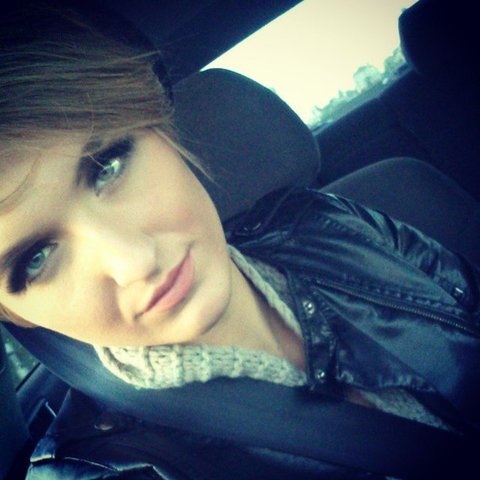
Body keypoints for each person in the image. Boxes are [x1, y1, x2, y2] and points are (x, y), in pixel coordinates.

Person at [1, 1, 480, 478]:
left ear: (159, 128)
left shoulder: (325, 223)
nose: (135, 262)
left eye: (108, 166)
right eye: (36, 258)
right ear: (13, 312)